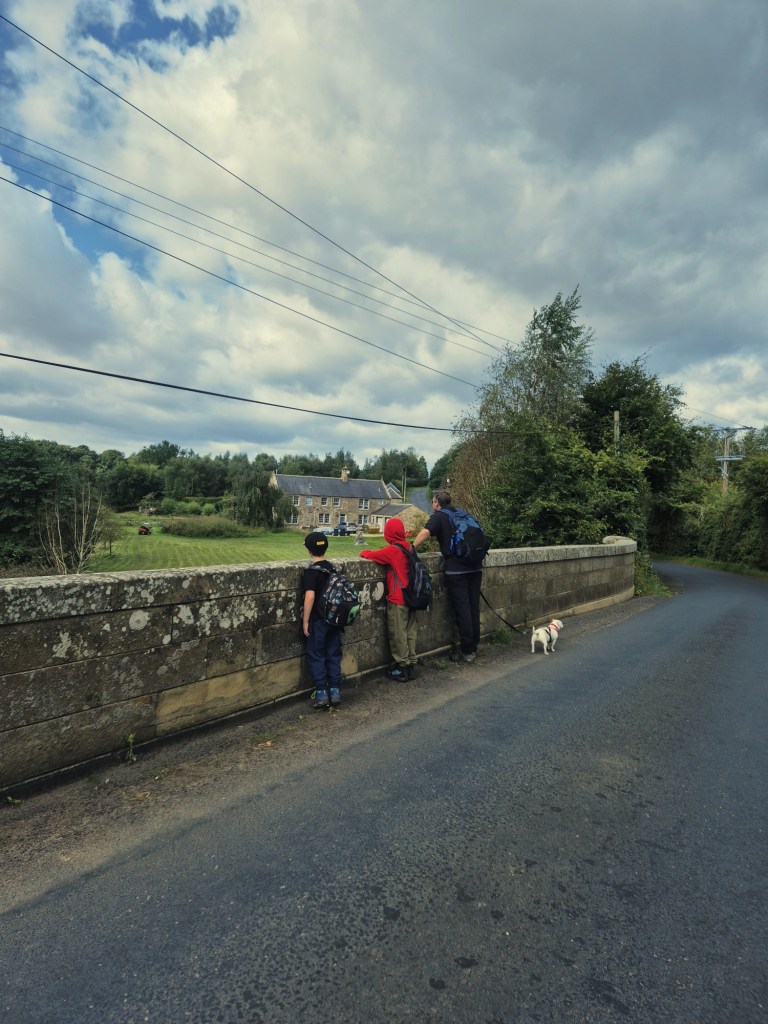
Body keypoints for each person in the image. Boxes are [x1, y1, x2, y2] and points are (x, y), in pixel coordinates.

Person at [412, 490, 482, 664]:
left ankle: (467, 651)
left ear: (437, 503)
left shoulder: (439, 516)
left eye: (433, 502)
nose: (432, 505)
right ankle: (473, 645)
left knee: (463, 609)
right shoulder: (463, 514)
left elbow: (425, 533)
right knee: (474, 607)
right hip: (475, 567)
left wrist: (410, 547)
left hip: (456, 570)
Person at [359, 517, 418, 681]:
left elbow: (369, 554)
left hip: (398, 597)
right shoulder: (409, 547)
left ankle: (402, 667)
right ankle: (411, 663)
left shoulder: (393, 550)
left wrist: (364, 552)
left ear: (389, 533)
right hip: (412, 596)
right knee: (410, 632)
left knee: (398, 633)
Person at [301, 531, 343, 708]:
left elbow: (309, 597)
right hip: (334, 619)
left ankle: (321, 694)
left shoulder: (312, 572)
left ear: (309, 551)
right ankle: (335, 691)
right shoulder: (332, 568)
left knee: (317, 654)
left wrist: (305, 620)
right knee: (333, 653)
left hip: (318, 620)